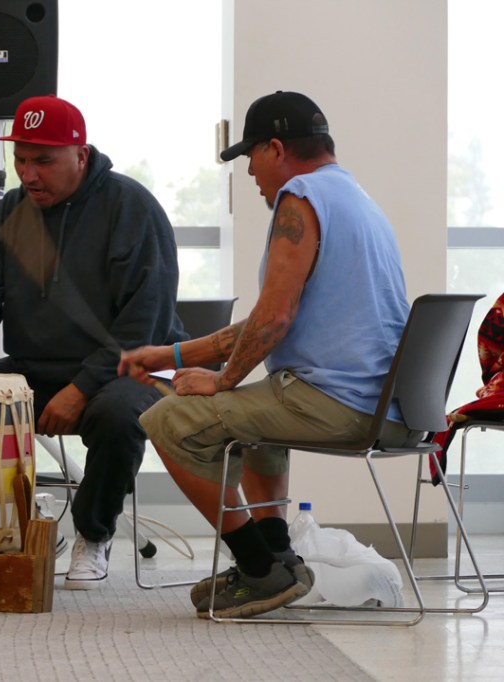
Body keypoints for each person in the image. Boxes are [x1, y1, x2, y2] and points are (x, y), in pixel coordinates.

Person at [121, 91, 418, 619]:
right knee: (254, 412)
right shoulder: (355, 198)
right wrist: (168, 354)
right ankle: (278, 557)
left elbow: (274, 319)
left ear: (276, 149)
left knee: (166, 420)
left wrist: (220, 380)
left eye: (250, 157)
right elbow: (267, 319)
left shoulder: (299, 197)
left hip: (341, 405)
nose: (250, 172)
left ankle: (258, 570)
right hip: (389, 407)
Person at [0, 94, 183, 590]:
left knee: (116, 415)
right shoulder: (6, 218)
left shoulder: (131, 209)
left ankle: (94, 533)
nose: (29, 174)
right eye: (20, 160)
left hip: (129, 369)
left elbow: (143, 324)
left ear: (81, 155)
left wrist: (80, 388)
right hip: (37, 367)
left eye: (43, 161)